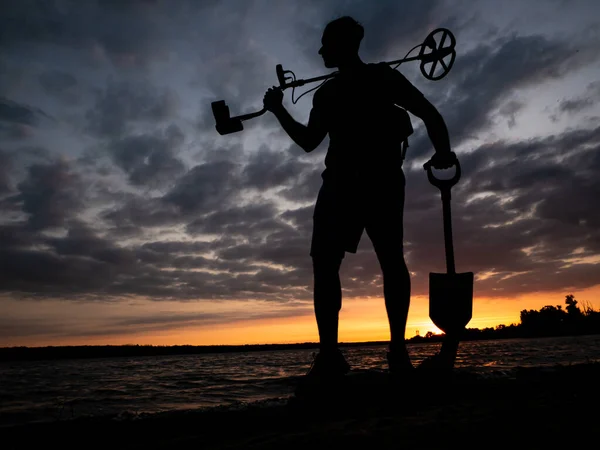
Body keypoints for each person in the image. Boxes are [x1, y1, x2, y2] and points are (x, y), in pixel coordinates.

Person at [263, 16, 457, 379]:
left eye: (325, 44)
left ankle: (334, 357)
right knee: (385, 262)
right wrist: (443, 153)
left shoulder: (335, 91)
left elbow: (307, 142)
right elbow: (430, 114)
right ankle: (390, 353)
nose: (320, 50)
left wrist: (277, 111)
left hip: (347, 186)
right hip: (372, 183)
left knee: (331, 264)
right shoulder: (379, 79)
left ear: (342, 45)